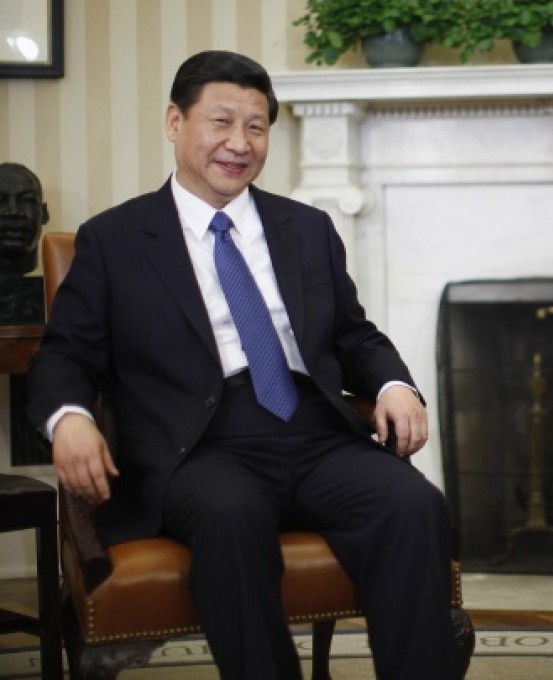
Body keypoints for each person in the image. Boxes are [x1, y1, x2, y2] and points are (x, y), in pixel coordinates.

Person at [27, 50, 460, 680]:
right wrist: (68, 419)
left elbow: (352, 334)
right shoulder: (115, 239)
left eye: (256, 128)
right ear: (175, 122)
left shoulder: (306, 228)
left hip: (315, 431)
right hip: (199, 445)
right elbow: (63, 352)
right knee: (233, 516)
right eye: (221, 122)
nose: (239, 144)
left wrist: (394, 384)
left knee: (414, 506)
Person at [0, 162, 48, 324]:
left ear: (44, 214)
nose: (13, 212)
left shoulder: (65, 297)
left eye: (26, 200)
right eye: (0, 200)